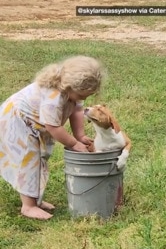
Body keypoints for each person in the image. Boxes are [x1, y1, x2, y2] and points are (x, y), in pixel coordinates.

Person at [0, 55, 103, 220]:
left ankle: (35, 199)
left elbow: (76, 110)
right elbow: (53, 127)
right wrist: (74, 144)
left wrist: (80, 135)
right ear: (69, 87)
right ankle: (28, 206)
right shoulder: (52, 99)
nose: (84, 99)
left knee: (39, 160)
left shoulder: (70, 91)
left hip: (31, 124)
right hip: (16, 122)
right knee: (29, 161)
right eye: (82, 95)